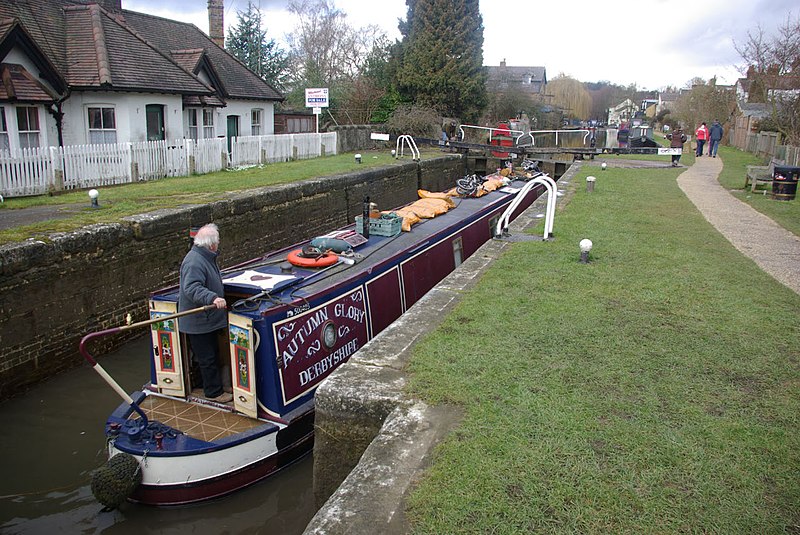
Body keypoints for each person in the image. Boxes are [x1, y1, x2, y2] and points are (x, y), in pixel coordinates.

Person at [178, 223, 232, 403]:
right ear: (212, 244)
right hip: (198, 320)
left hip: (206, 320)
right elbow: (191, 287)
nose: (219, 244)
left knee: (210, 354)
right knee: (207, 357)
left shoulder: (204, 257)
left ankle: (207, 385)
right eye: (217, 241)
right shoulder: (195, 261)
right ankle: (214, 393)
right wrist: (212, 298)